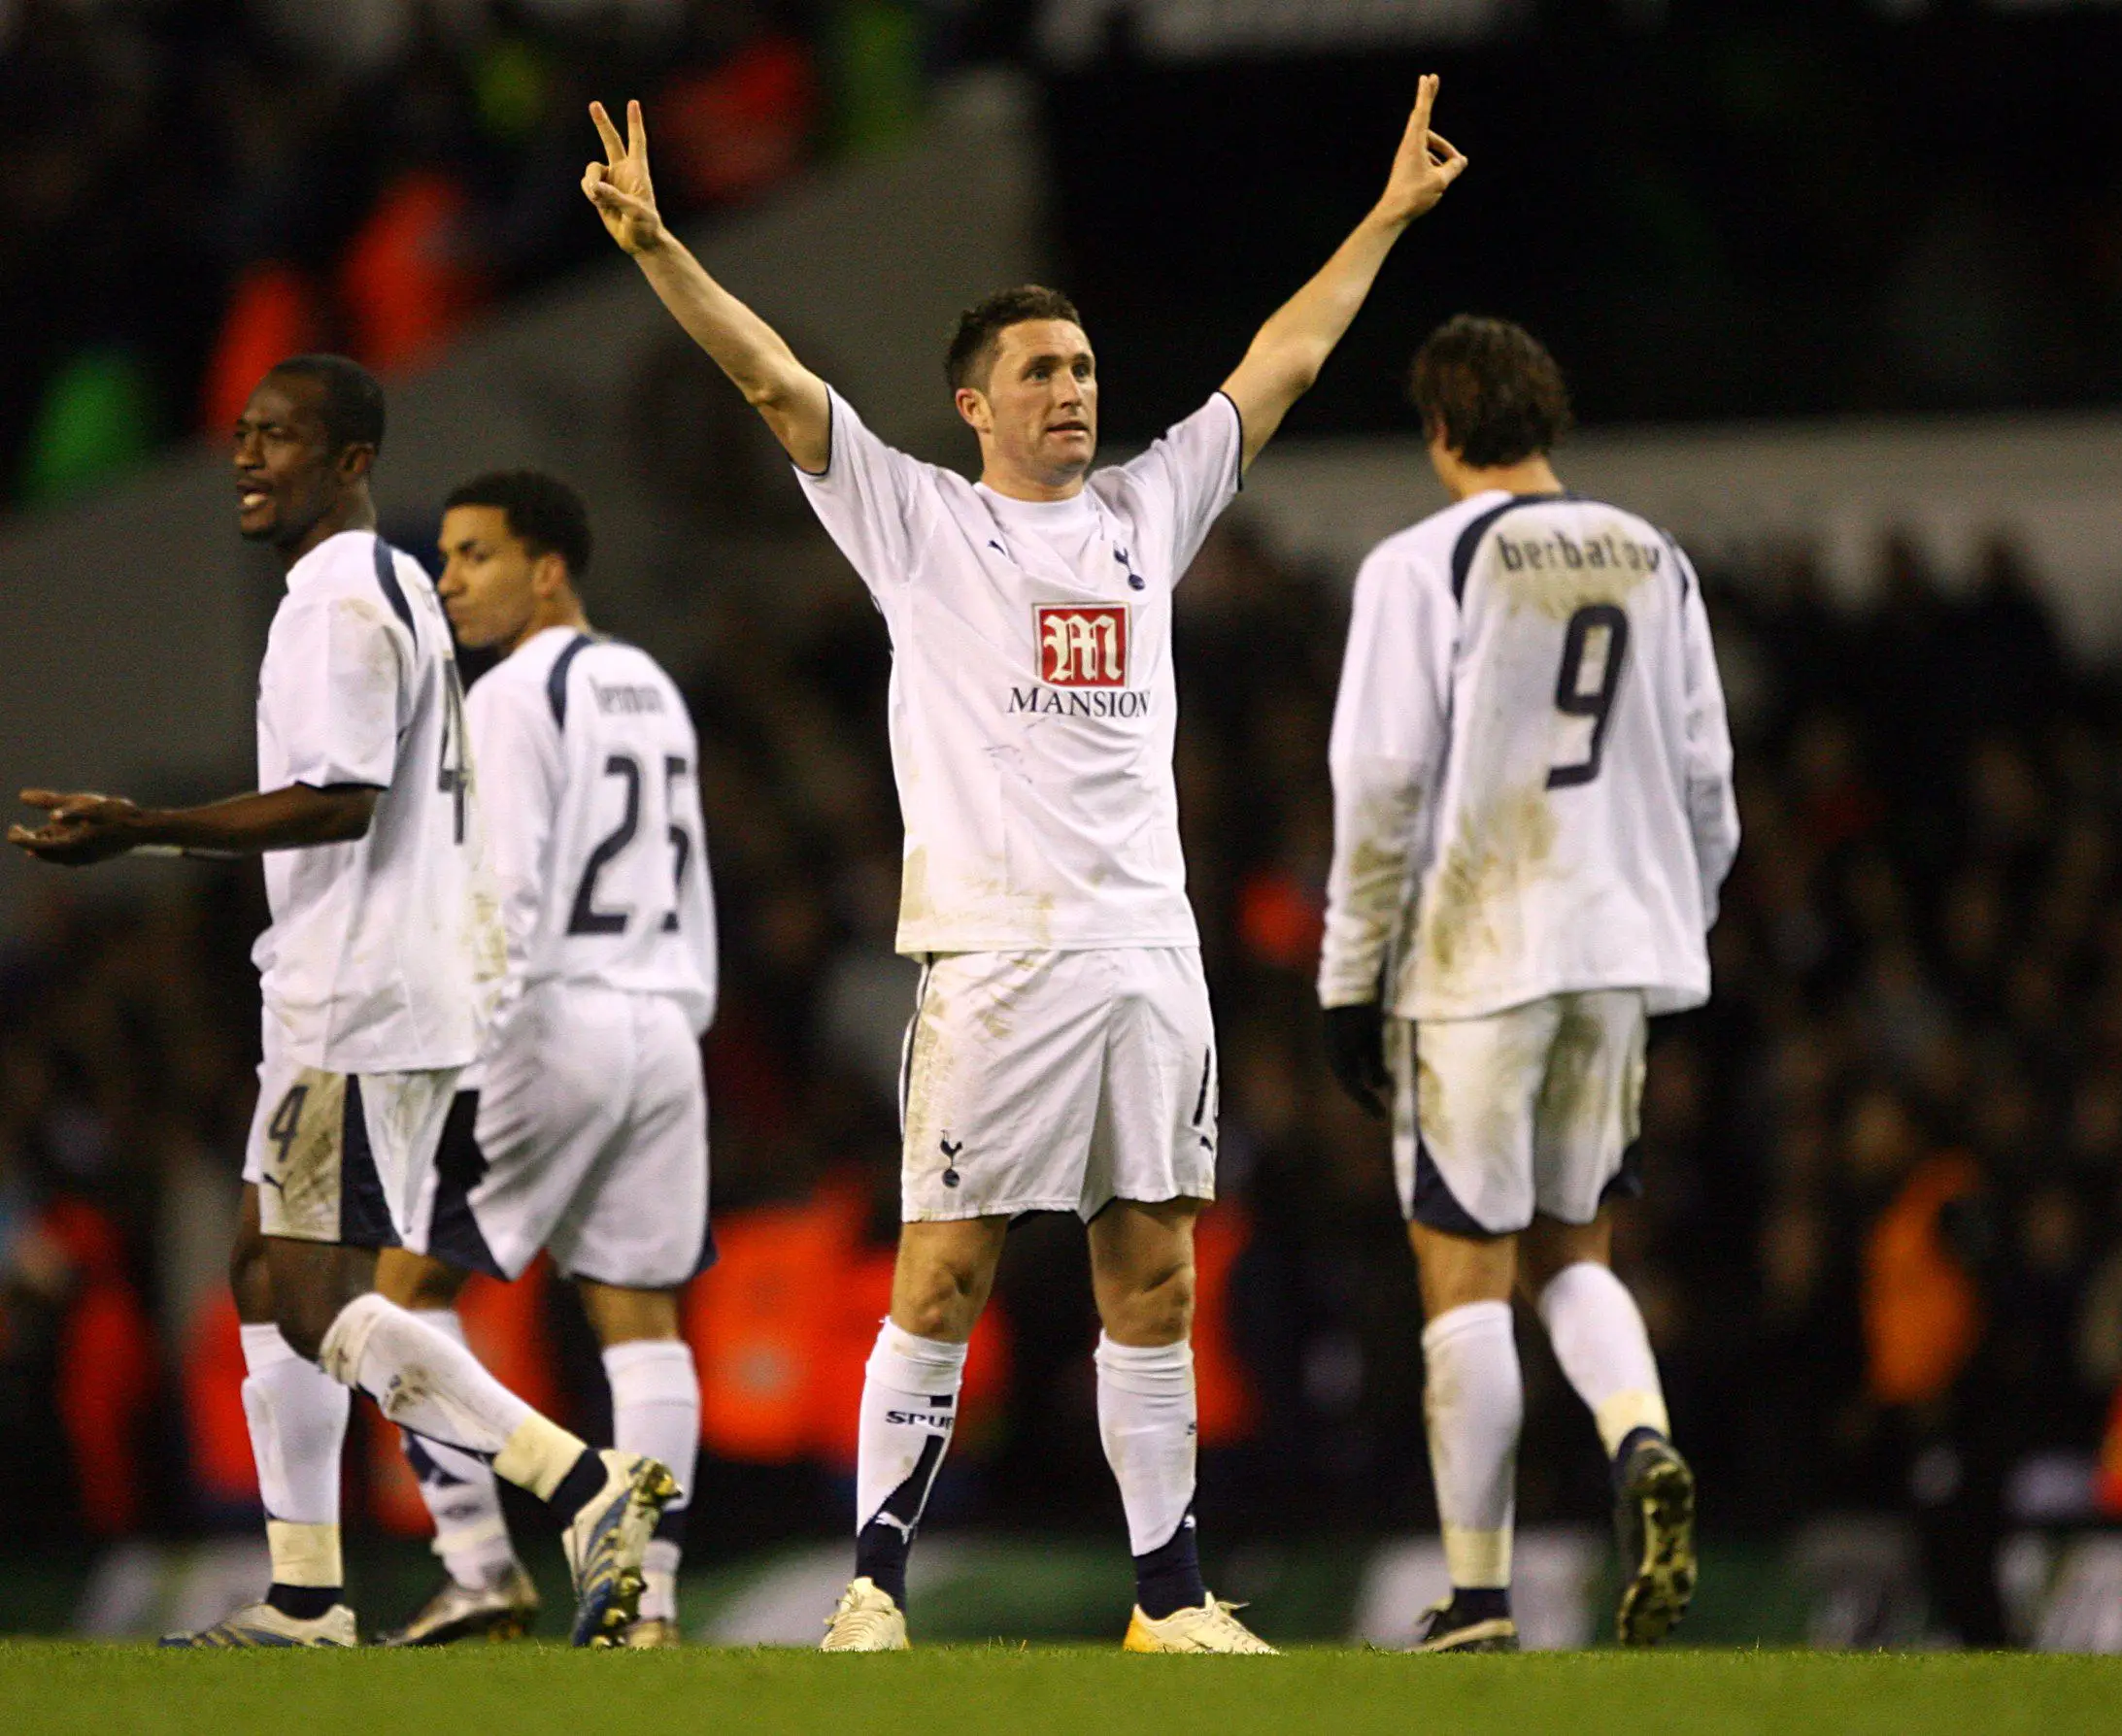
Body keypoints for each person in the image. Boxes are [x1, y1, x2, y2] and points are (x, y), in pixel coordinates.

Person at [580, 80, 1466, 1653]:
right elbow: (773, 380)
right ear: (975, 405)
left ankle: (1168, 1600)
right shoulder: (916, 520)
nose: (1072, 390)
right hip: (995, 956)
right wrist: (657, 248)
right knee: (942, 1274)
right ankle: (871, 1586)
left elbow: (1287, 356)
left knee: (1156, 1282)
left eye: (1083, 367)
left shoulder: (1145, 513)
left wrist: (1389, 217)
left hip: (1145, 953)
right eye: (1040, 372)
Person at [9, 358, 676, 1650]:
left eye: (285, 439)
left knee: (316, 1299)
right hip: (361, 983)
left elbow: (341, 793)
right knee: (265, 1275)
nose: (251, 459)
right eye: (245, 437)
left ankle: (586, 1488)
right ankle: (309, 1593)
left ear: (352, 461)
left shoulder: (338, 600)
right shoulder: (384, 592)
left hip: (360, 996)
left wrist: (144, 830)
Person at [1316, 317, 1738, 1653]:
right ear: (1545, 420)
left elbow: (1381, 784)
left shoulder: (1419, 563)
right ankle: (1640, 1437)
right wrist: (1673, 913)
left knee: (1466, 1272)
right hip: (1616, 953)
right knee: (1575, 1247)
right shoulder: (1653, 559)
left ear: (1441, 431)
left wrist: (1347, 976)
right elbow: (1707, 784)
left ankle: (1480, 1594)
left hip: (1479, 953)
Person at [372, 470, 716, 1652]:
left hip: (550, 1017)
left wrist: (463, 1046)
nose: (451, 580)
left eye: (476, 556)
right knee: (644, 1323)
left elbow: (505, 888)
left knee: (392, 1303)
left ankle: (479, 1563)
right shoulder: (652, 684)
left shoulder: (514, 696)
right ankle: (650, 1605)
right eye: (448, 558)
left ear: (549, 567)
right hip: (663, 1022)